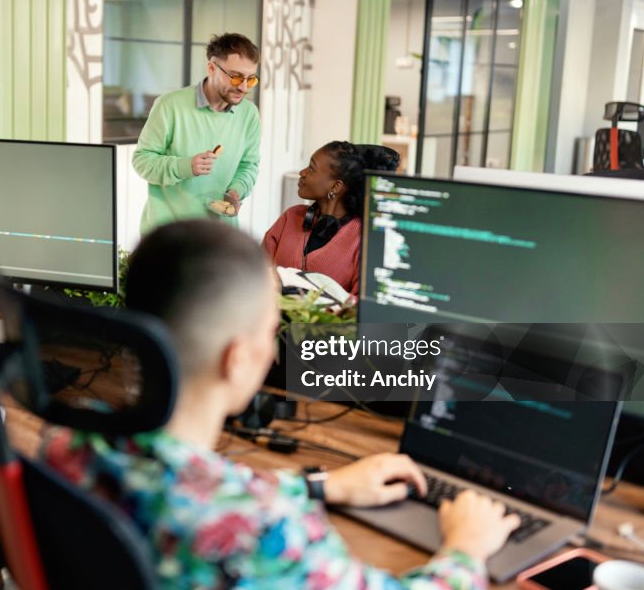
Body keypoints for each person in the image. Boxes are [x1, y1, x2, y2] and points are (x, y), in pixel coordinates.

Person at [43, 220, 519, 589]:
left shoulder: (73, 441)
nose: (273, 350)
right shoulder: (265, 532)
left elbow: (190, 476)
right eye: (271, 331)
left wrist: (318, 486)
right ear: (238, 358)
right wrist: (465, 551)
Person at [132, 32, 261, 233]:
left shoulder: (249, 114)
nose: (243, 87)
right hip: (167, 236)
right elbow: (142, 161)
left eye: (251, 79)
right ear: (211, 68)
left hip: (218, 235)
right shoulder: (169, 105)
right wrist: (186, 166)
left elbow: (248, 165)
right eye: (235, 77)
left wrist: (236, 192)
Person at [263, 142, 400, 297]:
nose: (302, 172)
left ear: (335, 186)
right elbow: (256, 273)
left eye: (312, 168)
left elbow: (359, 307)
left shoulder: (363, 239)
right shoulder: (290, 217)